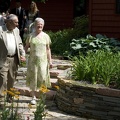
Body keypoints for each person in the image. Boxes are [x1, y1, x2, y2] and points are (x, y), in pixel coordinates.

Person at [25, 18, 52, 105]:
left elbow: (48, 49)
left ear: (43, 26)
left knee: (43, 79)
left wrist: (50, 61)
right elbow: (26, 47)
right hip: (33, 62)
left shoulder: (46, 36)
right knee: (33, 79)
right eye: (38, 24)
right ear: (34, 25)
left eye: (41, 24)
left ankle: (42, 96)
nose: (39, 26)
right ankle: (33, 97)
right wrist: (22, 56)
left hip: (43, 62)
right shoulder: (30, 36)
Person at [0, 14, 26, 101]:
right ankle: (1, 99)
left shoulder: (16, 30)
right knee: (2, 79)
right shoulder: (0, 30)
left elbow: (19, 43)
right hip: (3, 59)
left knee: (12, 79)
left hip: (14, 59)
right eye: (16, 22)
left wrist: (22, 54)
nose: (17, 24)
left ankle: (9, 96)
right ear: (10, 22)